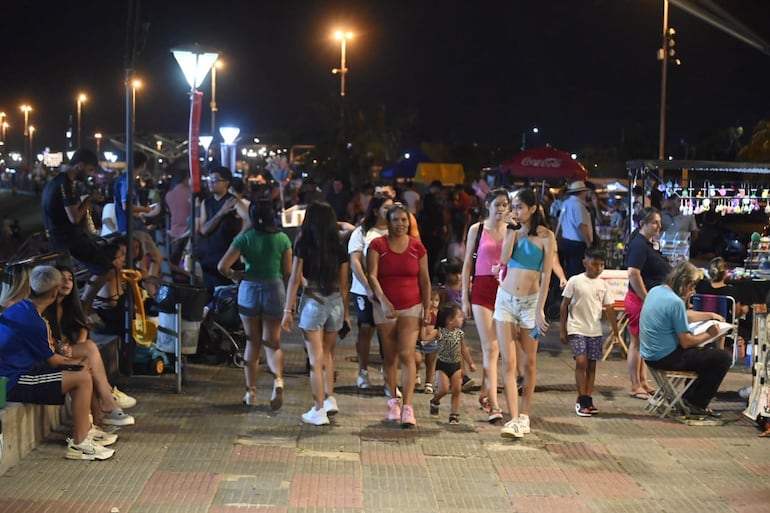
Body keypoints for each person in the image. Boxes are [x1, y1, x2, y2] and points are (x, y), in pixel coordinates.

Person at [0, 265, 114, 460]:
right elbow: (54, 362)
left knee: (80, 370)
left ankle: (86, 430)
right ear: (54, 293)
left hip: (20, 372)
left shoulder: (22, 309)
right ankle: (80, 442)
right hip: (14, 380)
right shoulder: (33, 320)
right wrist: (77, 363)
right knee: (82, 377)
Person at [218, 201, 292, 409]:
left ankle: (251, 392)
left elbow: (222, 266)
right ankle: (278, 380)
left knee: (252, 342)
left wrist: (235, 275)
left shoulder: (245, 239)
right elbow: (287, 271)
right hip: (274, 290)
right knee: (273, 342)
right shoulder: (282, 239)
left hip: (249, 289)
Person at [282, 202, 350, 426]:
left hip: (313, 301)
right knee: (329, 355)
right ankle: (330, 398)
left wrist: (288, 310)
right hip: (336, 303)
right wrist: (347, 313)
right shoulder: (339, 246)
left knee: (315, 359)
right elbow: (344, 284)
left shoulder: (304, 244)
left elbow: (294, 279)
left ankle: (318, 409)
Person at [494, 187, 555, 438]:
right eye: (513, 207)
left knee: (529, 362)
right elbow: (504, 259)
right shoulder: (513, 231)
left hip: (530, 304)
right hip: (505, 300)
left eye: (519, 207)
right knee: (508, 362)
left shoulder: (546, 236)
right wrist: (511, 230)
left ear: (533, 209)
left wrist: (540, 309)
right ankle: (513, 418)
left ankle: (526, 415)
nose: (514, 211)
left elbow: (547, 274)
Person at [44, 265, 136, 425]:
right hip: (51, 355)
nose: (66, 282)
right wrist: (64, 347)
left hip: (67, 350)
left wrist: (77, 344)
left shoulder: (70, 304)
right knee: (88, 354)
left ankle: (100, 420)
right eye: (61, 279)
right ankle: (107, 402)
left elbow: (82, 327)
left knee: (87, 353)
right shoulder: (45, 306)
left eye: (70, 279)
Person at [367, 203, 431, 428]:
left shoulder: (417, 247)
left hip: (412, 306)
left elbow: (425, 279)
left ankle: (409, 406)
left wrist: (427, 307)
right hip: (385, 307)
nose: (401, 224)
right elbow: (372, 276)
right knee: (390, 356)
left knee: (407, 353)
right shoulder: (377, 245)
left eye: (404, 220)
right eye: (396, 220)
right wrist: (383, 300)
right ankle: (393, 400)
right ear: (388, 221)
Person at [640, 262, 731, 416]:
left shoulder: (656, 291)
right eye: (692, 286)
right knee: (722, 358)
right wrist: (709, 334)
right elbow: (686, 341)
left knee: (703, 354)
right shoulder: (674, 301)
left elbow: (683, 315)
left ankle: (689, 399)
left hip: (649, 353)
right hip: (665, 356)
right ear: (685, 283)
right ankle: (697, 403)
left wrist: (710, 315)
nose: (693, 290)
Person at [41, 149, 112, 315]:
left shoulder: (57, 181)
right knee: (105, 267)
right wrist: (89, 199)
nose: (90, 175)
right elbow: (75, 217)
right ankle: (83, 308)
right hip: (67, 240)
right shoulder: (66, 184)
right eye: (90, 170)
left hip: (59, 238)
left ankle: (79, 307)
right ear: (80, 165)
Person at [461, 188, 509, 422]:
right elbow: (467, 265)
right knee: (490, 347)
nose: (501, 209)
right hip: (481, 288)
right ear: (488, 204)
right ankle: (494, 404)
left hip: (506, 289)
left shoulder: (513, 230)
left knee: (498, 347)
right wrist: (463, 296)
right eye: (497, 204)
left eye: (505, 205)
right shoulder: (477, 229)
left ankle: (483, 393)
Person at [559, 247, 620, 416]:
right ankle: (582, 398)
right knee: (581, 361)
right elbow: (564, 305)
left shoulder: (604, 285)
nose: (598, 268)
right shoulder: (575, 281)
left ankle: (587, 398)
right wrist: (563, 329)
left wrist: (615, 332)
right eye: (594, 264)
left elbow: (609, 309)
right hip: (577, 327)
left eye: (601, 265)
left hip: (595, 329)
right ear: (585, 263)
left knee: (592, 365)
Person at [624, 207, 670, 400]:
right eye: (655, 222)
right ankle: (635, 385)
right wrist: (647, 297)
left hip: (647, 299)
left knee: (643, 343)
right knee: (636, 343)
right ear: (643, 224)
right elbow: (633, 273)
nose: (658, 226)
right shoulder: (639, 245)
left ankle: (642, 381)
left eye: (659, 222)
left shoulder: (648, 244)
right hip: (638, 300)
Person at [347, 194, 393, 389]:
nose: (390, 212)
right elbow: (355, 261)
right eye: (386, 208)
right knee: (366, 329)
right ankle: (363, 371)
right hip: (364, 290)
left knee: (388, 333)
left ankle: (388, 375)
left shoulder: (396, 230)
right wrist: (367, 286)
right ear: (375, 210)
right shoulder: (362, 232)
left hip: (390, 289)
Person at [114, 151, 163, 280]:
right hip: (131, 226)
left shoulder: (126, 180)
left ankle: (150, 287)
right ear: (143, 165)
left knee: (157, 256)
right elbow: (126, 207)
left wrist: (140, 212)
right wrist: (145, 209)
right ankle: (143, 291)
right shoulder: (126, 181)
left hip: (136, 224)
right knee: (139, 261)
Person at [427, 303, 476, 425]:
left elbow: (463, 349)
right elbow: (426, 338)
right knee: (443, 389)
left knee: (456, 390)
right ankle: (435, 400)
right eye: (459, 317)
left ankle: (453, 414)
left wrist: (470, 363)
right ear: (450, 321)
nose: (462, 319)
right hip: (442, 365)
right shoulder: (440, 332)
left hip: (456, 365)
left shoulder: (459, 334)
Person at [198, 166, 245, 292]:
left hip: (228, 257)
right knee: (209, 298)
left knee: (227, 297)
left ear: (226, 183)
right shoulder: (206, 203)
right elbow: (203, 230)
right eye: (209, 180)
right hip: (209, 257)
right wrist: (221, 213)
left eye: (215, 180)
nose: (211, 183)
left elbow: (250, 220)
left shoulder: (233, 201)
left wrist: (240, 236)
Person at [696, 256, 750, 355]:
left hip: (700, 323)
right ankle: (719, 354)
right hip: (722, 327)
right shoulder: (731, 291)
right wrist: (743, 310)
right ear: (725, 273)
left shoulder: (701, 287)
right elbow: (736, 314)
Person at [557, 180, 593, 278]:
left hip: (566, 241)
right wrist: (589, 242)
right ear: (582, 192)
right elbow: (582, 225)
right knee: (577, 272)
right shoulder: (578, 205)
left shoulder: (565, 203)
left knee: (569, 270)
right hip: (577, 244)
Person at [416, 287, 440, 394]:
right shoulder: (421, 311)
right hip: (419, 340)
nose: (433, 302)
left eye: (436, 300)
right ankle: (416, 374)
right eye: (431, 299)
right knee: (417, 359)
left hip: (432, 341)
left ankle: (429, 383)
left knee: (430, 362)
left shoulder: (439, 313)